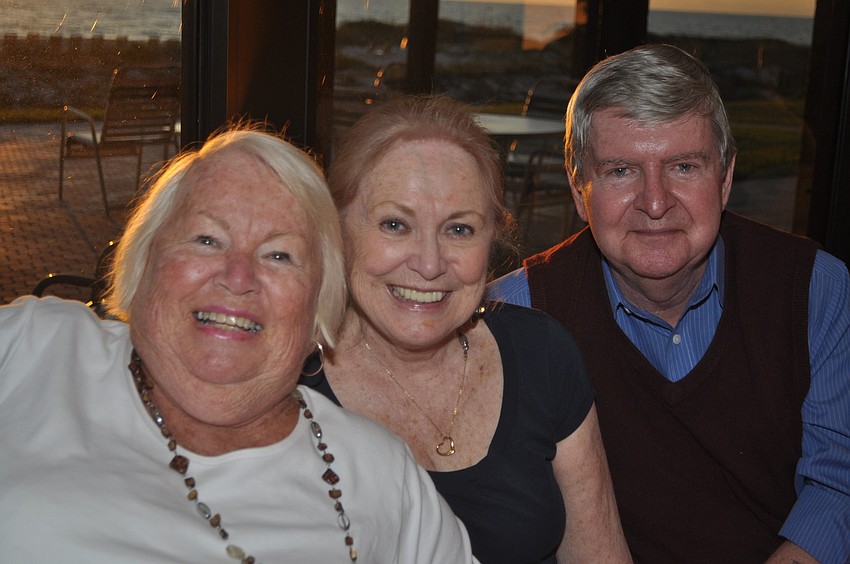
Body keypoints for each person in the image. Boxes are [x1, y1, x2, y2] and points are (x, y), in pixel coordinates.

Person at [0, 127, 479, 563]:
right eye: (207, 239)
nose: (238, 277)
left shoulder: (378, 471)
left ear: (319, 303)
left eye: (279, 255)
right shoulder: (35, 348)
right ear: (144, 259)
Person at [487, 44, 850, 563]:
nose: (655, 203)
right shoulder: (513, 316)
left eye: (683, 166)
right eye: (620, 171)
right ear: (578, 190)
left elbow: (839, 483)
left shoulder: (818, 289)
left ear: (724, 179)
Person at [300, 95, 631, 563]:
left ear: (493, 236)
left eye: (459, 230)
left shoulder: (542, 356)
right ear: (337, 227)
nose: (430, 264)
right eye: (395, 224)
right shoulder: (289, 384)